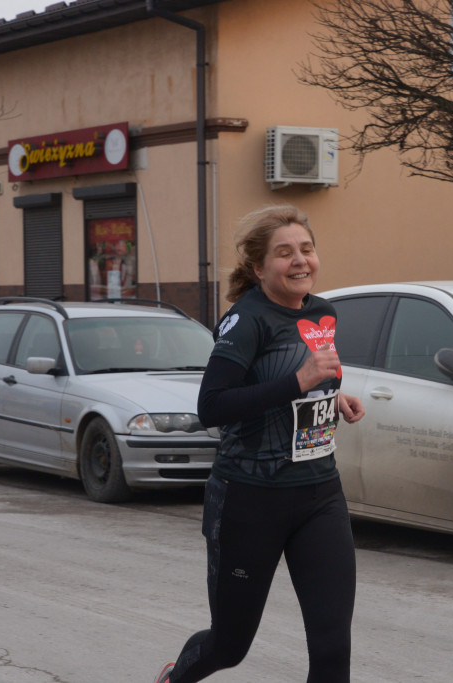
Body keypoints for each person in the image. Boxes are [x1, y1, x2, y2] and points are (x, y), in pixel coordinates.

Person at [156, 205, 365, 683]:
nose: (300, 261)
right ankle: (176, 677)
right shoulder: (246, 320)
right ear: (258, 268)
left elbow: (299, 387)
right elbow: (213, 406)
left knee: (333, 650)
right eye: (284, 253)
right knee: (229, 646)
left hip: (319, 494)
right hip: (249, 498)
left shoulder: (322, 312)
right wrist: (299, 381)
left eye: (306, 250)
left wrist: (332, 399)